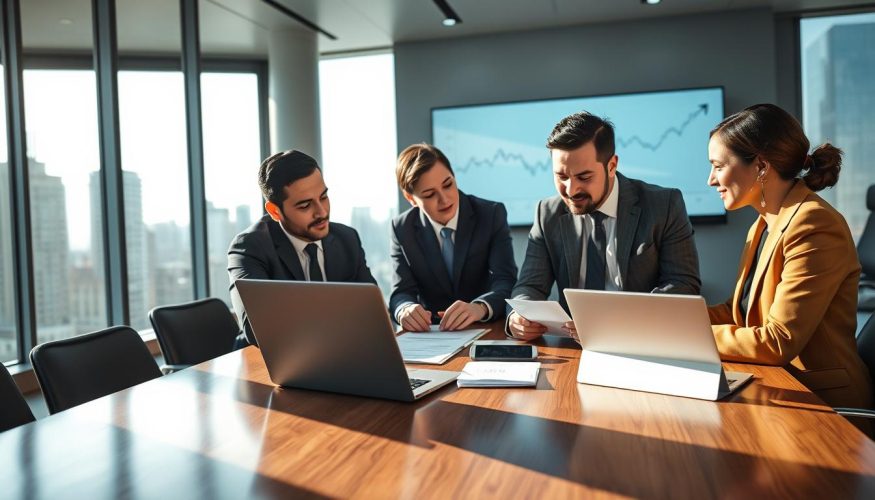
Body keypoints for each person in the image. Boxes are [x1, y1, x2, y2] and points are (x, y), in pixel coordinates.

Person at [706, 103, 873, 414]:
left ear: (761, 167)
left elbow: (778, 340)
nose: (711, 180)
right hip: (780, 389)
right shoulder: (764, 223)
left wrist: (692, 337)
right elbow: (737, 312)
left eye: (717, 166)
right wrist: (668, 322)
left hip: (826, 406)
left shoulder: (814, 224)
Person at [508, 111, 701, 340]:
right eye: (561, 176)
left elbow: (683, 284)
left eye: (584, 177)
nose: (571, 190)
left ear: (611, 165)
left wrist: (616, 324)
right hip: (574, 348)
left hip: (642, 342)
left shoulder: (664, 204)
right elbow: (529, 286)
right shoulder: (547, 213)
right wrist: (517, 317)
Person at [228, 149, 376, 346]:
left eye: (323, 197)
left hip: (342, 352)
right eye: (305, 206)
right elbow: (257, 330)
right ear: (275, 211)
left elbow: (372, 312)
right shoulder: (250, 247)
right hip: (269, 361)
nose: (322, 212)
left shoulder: (346, 239)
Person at [390, 143, 517, 331]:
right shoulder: (402, 228)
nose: (445, 199)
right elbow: (401, 292)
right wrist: (405, 309)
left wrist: (479, 307)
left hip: (485, 328)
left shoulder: (490, 214)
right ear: (411, 199)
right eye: (430, 194)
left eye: (448, 184)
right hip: (432, 333)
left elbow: (506, 280)